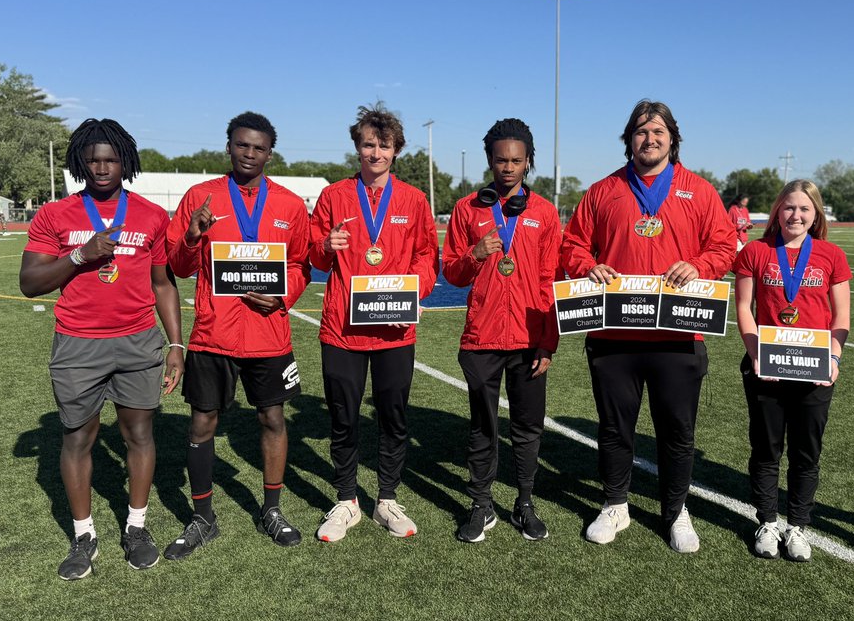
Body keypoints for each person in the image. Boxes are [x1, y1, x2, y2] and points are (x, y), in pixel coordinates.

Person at [561, 99, 738, 553]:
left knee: (677, 431)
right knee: (614, 427)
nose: (650, 139)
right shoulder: (602, 190)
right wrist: (587, 267)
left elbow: (725, 248)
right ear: (629, 140)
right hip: (614, 335)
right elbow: (572, 246)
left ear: (672, 139)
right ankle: (615, 503)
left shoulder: (699, 191)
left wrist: (699, 266)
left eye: (658, 131)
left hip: (678, 334)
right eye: (641, 131)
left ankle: (676, 509)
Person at [20, 118, 184, 579]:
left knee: (139, 435)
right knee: (77, 437)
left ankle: (136, 527)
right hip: (78, 343)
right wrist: (79, 255)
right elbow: (30, 284)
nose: (102, 167)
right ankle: (84, 534)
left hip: (137, 342)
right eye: (93, 159)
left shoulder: (151, 215)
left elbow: (163, 284)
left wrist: (175, 342)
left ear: (125, 162)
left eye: (111, 159)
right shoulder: (55, 215)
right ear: (80, 163)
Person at [164, 112, 311, 559]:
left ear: (271, 152)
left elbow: (302, 264)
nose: (250, 154)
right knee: (203, 422)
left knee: (272, 420)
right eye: (242, 145)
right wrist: (192, 235)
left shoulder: (288, 203)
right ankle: (203, 518)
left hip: (269, 334)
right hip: (214, 334)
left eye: (259, 148)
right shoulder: (201, 197)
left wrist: (283, 297)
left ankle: (271, 509)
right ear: (228, 146)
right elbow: (178, 265)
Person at [309, 103, 438, 542]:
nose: (375, 153)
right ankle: (347, 500)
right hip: (342, 328)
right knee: (344, 416)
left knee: (393, 415)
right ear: (357, 147)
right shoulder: (333, 196)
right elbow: (313, 255)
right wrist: (326, 244)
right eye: (368, 144)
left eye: (383, 145)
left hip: (394, 329)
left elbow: (427, 257)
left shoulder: (414, 200)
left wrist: (411, 290)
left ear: (396, 150)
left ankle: (385, 497)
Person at [442, 118, 561, 543]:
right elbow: (452, 274)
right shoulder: (466, 209)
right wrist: (474, 254)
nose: (508, 168)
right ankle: (481, 503)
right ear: (489, 161)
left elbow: (550, 280)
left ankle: (525, 502)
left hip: (530, 338)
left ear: (528, 162)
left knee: (528, 427)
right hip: (481, 338)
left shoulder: (545, 212)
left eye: (516, 160)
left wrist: (549, 340)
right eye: (500, 160)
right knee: (482, 426)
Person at [734, 180, 850, 562]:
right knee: (767, 448)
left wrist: (833, 359)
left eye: (804, 209)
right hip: (766, 367)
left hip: (814, 369)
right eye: (788, 208)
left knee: (806, 452)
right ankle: (767, 520)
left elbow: (842, 317)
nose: (795, 215)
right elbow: (745, 309)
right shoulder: (755, 251)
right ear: (776, 212)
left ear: (815, 213)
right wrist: (756, 354)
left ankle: (797, 525)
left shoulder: (832, 255)